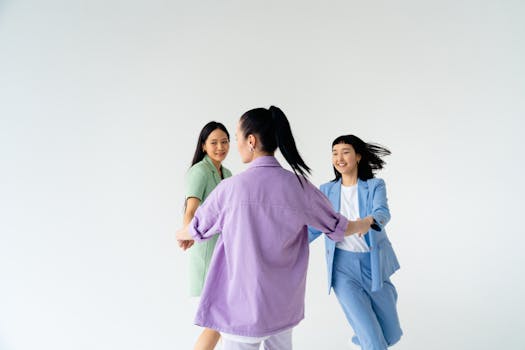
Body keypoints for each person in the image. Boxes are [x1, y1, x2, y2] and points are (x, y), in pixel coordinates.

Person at [176, 106, 370, 350]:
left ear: (251, 141)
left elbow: (196, 227)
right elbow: (338, 226)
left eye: (236, 138)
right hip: (282, 309)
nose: (234, 144)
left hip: (240, 307)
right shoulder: (298, 186)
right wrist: (366, 222)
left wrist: (180, 235)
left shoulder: (231, 188)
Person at [308, 135, 402, 350]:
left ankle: (363, 339)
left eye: (345, 152)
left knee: (391, 334)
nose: (339, 158)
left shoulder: (375, 185)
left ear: (358, 156)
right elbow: (315, 227)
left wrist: (366, 222)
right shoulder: (326, 190)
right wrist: (283, 244)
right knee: (373, 340)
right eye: (335, 153)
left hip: (374, 265)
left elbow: (382, 213)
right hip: (342, 270)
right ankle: (367, 340)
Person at [183, 121, 232, 350]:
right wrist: (187, 234)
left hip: (225, 255)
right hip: (206, 256)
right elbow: (191, 209)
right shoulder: (200, 171)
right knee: (219, 322)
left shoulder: (228, 174)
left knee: (224, 324)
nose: (220, 147)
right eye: (213, 142)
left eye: (224, 142)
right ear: (203, 146)